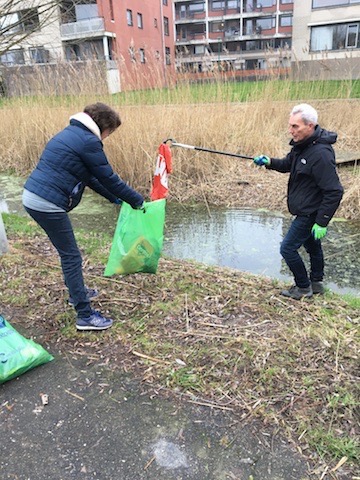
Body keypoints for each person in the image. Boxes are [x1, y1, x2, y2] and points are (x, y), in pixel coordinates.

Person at [22, 102, 145, 330]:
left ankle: (77, 292)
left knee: (68, 253)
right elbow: (110, 177)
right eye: (110, 132)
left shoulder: (72, 134)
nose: (108, 137)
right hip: (47, 203)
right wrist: (137, 200)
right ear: (104, 126)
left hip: (33, 197)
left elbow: (92, 178)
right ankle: (84, 315)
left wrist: (115, 198)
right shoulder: (89, 142)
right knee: (71, 256)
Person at [254, 103, 344, 300]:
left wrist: (322, 221)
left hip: (310, 213)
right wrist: (268, 162)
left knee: (287, 248)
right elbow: (287, 164)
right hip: (306, 209)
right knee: (312, 247)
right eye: (290, 125)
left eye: (295, 126)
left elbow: (334, 191)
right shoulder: (301, 146)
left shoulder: (320, 154)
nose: (291, 130)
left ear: (310, 126)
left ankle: (303, 287)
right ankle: (317, 283)